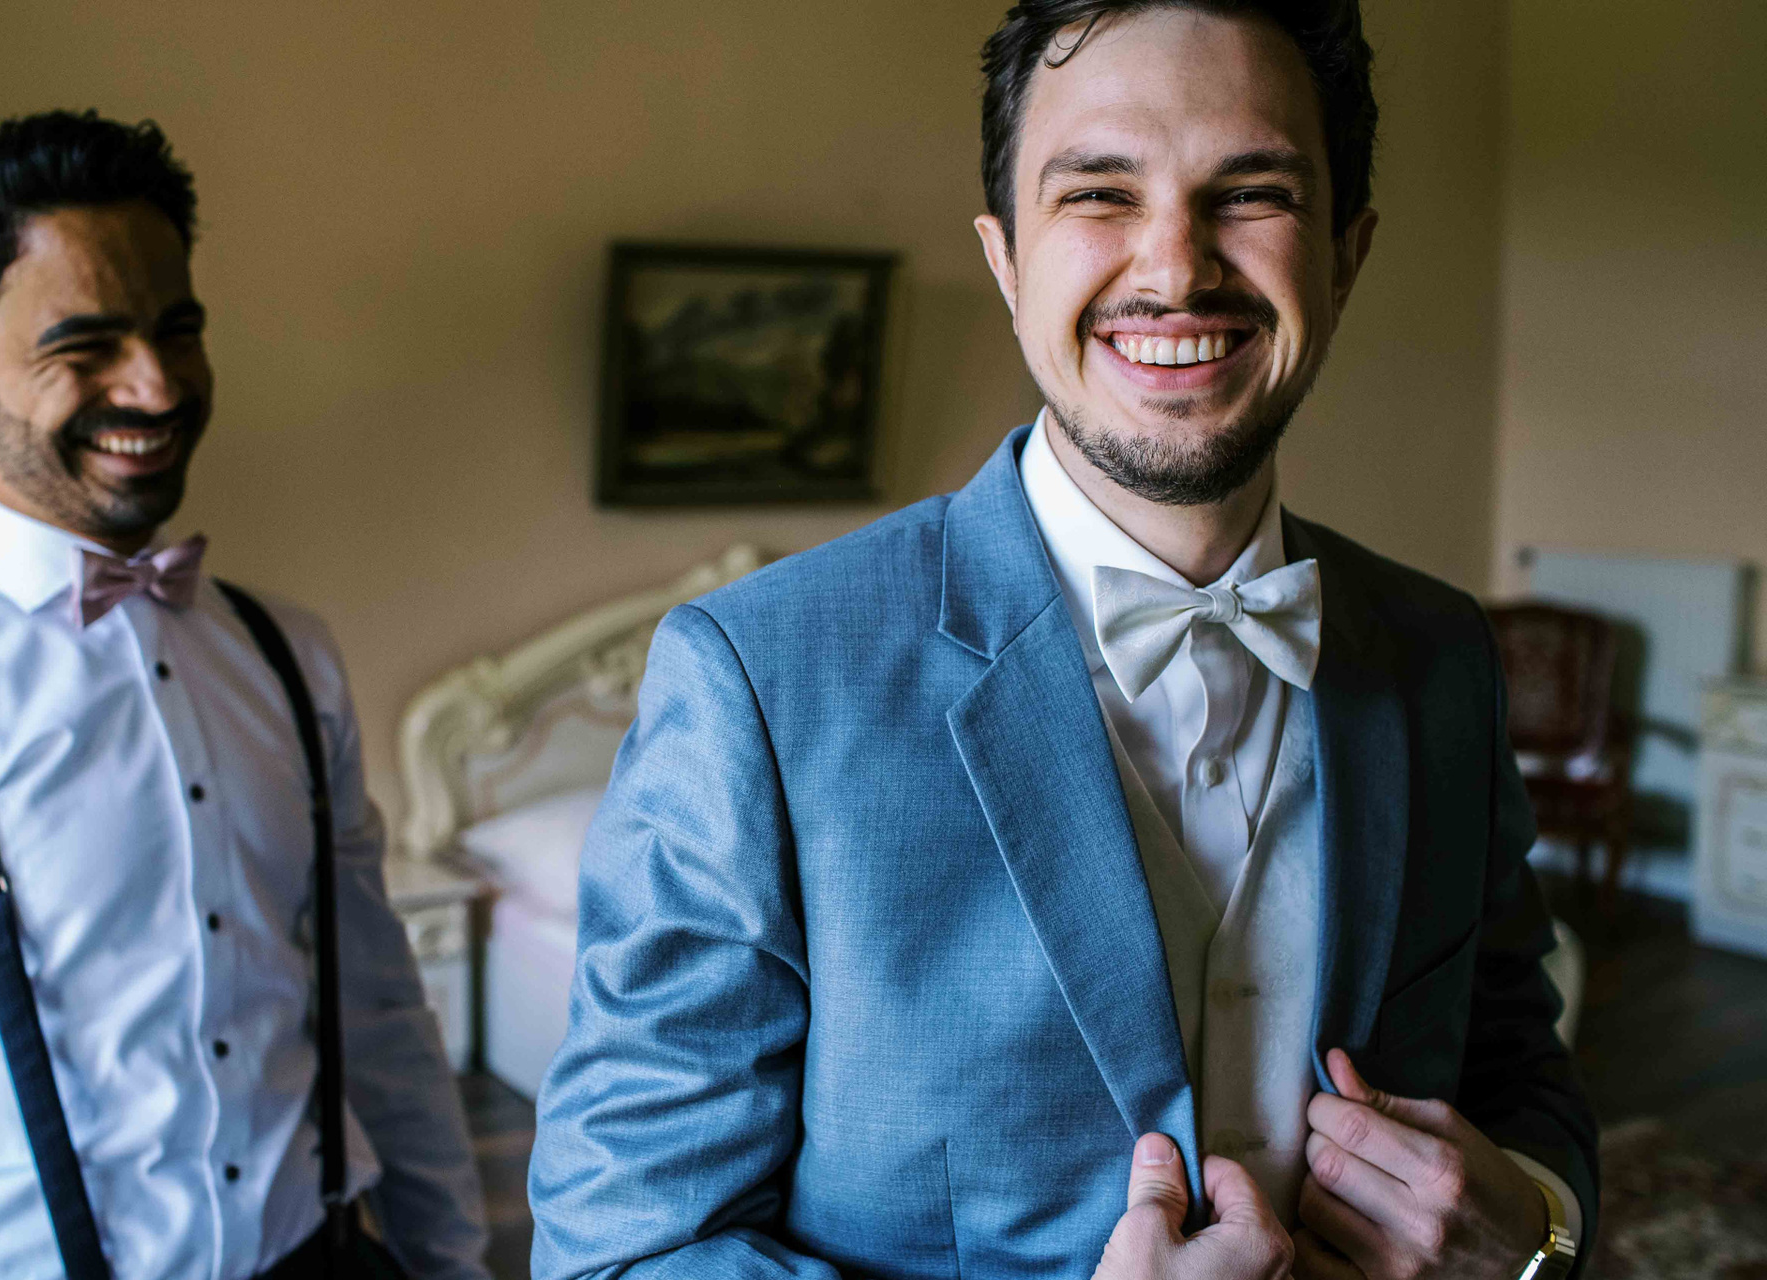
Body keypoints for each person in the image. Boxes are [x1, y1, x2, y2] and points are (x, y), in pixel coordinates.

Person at [528, 3, 1596, 1279]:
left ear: (1345, 255)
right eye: (1099, 192)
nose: (1175, 269)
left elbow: (1516, 1062)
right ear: (1006, 257)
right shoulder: (755, 680)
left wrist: (1539, 1229)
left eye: (1251, 194)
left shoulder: (1441, 654)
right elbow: (621, 1251)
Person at [0, 111, 489, 1278]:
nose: (154, 384)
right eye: (85, 346)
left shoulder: (290, 652)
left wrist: (451, 1257)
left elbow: (379, 1008)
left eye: (177, 329)